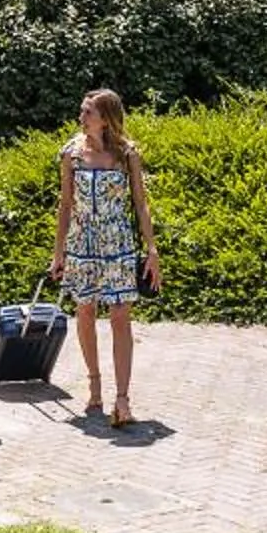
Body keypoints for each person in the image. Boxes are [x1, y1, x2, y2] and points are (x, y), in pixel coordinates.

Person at [50, 88, 159, 429]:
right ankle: (94, 383)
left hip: (118, 242)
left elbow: (141, 203)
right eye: (82, 112)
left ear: (105, 118)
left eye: (88, 113)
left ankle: (122, 398)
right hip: (82, 242)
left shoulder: (127, 154)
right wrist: (59, 252)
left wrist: (152, 249)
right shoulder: (71, 153)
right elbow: (65, 205)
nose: (81, 118)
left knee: (120, 316)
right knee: (84, 310)